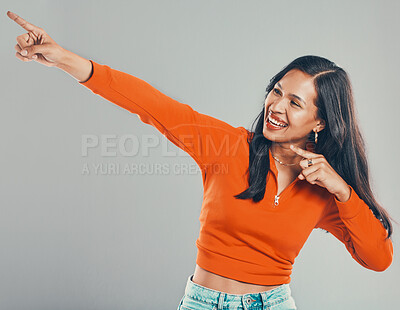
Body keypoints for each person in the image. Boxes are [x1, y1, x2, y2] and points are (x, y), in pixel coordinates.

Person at [8, 11, 395, 310]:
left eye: (294, 103)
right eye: (276, 92)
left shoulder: (326, 193)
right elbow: (149, 102)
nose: (276, 107)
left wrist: (343, 191)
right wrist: (62, 58)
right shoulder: (226, 146)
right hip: (203, 301)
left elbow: (378, 260)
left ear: (320, 122)